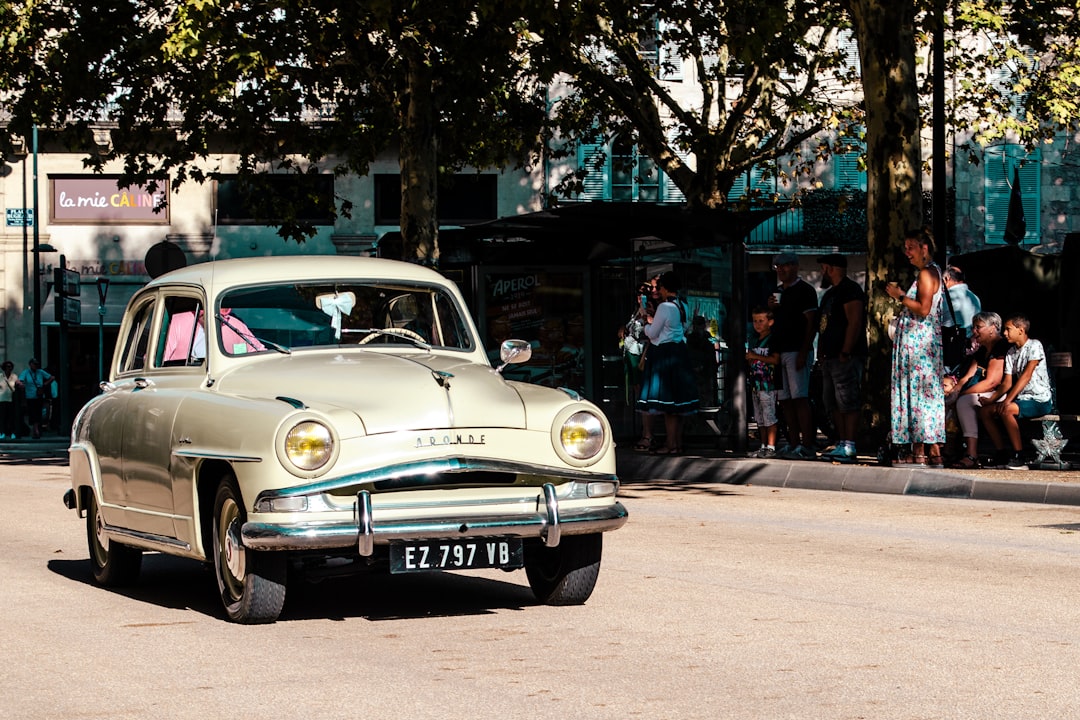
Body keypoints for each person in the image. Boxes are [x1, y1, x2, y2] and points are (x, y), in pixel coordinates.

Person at [885, 226, 946, 467]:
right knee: (924, 395)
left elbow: (923, 308)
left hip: (919, 344)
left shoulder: (926, 274)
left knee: (917, 394)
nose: (907, 253)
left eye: (910, 248)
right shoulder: (933, 272)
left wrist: (899, 295)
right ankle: (931, 450)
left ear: (924, 248)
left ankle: (920, 449)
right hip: (922, 342)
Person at [977, 313, 1054, 470]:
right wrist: (991, 400)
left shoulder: (1034, 346)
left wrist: (1007, 400)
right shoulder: (1011, 352)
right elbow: (1006, 383)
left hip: (1039, 400)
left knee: (1006, 409)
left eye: (1008, 329)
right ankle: (1001, 452)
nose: (1005, 333)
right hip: (1021, 399)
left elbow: (1026, 376)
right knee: (985, 411)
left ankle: (1019, 456)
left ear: (1021, 330)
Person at [637, 271, 699, 455]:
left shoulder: (664, 306)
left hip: (664, 353)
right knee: (678, 403)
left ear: (664, 288)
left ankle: (671, 445)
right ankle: (676, 444)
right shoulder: (682, 305)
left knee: (668, 404)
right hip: (679, 352)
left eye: (660, 287)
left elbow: (653, 333)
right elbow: (683, 328)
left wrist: (646, 322)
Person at [815, 254, 867, 463]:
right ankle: (841, 440)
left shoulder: (850, 290)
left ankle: (849, 444)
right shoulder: (830, 294)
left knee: (847, 400)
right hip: (829, 357)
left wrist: (845, 350)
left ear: (830, 268)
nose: (821, 273)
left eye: (823, 268)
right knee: (832, 401)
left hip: (845, 356)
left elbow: (854, 322)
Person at [768, 252, 818, 460]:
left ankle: (807, 445)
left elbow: (811, 321)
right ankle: (793, 442)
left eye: (785, 266)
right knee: (786, 400)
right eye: (778, 266)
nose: (781, 270)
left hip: (797, 349)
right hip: (780, 350)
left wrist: (804, 350)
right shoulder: (778, 292)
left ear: (795, 267)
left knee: (800, 398)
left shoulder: (805, 290)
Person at [946, 311, 1008, 469]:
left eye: (978, 327)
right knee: (953, 401)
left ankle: (971, 454)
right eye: (974, 327)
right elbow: (967, 376)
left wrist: (962, 395)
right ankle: (948, 449)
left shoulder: (1000, 347)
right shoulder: (982, 350)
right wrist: (956, 390)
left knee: (965, 402)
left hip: (1003, 393)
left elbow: (992, 382)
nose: (974, 331)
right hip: (984, 391)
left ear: (993, 328)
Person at [621, 280, 656, 450]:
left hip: (643, 354)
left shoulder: (652, 311)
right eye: (639, 293)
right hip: (632, 353)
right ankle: (645, 432)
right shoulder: (636, 311)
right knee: (639, 393)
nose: (641, 296)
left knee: (645, 395)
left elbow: (651, 332)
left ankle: (648, 435)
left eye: (646, 292)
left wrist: (646, 315)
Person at [745, 307, 780, 458]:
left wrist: (755, 357)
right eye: (755, 321)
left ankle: (771, 446)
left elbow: (775, 359)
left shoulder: (773, 339)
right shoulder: (754, 339)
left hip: (769, 384)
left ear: (770, 322)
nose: (757, 324)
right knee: (759, 418)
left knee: (769, 415)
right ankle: (763, 445)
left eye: (761, 321)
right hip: (755, 384)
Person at [687, 315, 719, 407]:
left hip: (706, 369)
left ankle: (707, 407)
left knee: (707, 391)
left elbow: (711, 353)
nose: (699, 327)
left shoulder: (706, 336)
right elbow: (692, 353)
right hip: (698, 369)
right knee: (699, 392)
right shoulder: (692, 337)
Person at [942, 265, 982, 339]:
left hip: (952, 342)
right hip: (970, 342)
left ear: (947, 278)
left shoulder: (944, 298)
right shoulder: (975, 297)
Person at [18, 358, 54, 439]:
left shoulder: (40, 372)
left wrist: (45, 384)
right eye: (34, 364)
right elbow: (20, 380)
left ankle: (36, 429)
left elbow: (51, 377)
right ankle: (35, 429)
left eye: (36, 364)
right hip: (30, 396)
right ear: (30, 364)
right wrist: (21, 384)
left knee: (38, 412)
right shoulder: (26, 372)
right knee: (32, 413)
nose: (35, 366)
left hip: (39, 395)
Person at [0, 361, 21, 440]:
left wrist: (20, 384)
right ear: (4, 368)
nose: (9, 368)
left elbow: (17, 383)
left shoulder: (14, 376)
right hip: (2, 399)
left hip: (11, 399)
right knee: (2, 417)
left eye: (10, 366)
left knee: (11, 417)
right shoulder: (0, 376)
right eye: (7, 366)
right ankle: (2, 432)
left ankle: (13, 432)